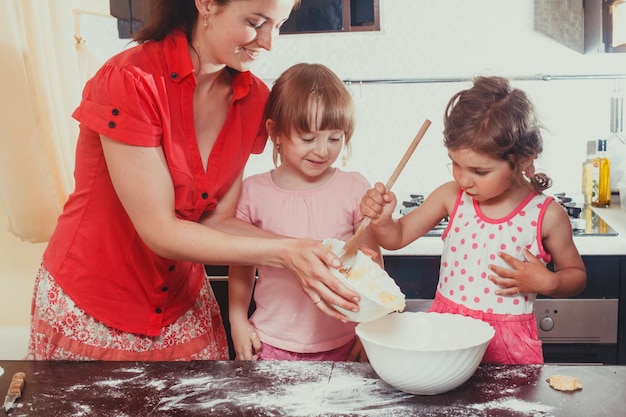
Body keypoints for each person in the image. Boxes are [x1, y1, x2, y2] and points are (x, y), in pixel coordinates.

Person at [27, 0, 361, 361]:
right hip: (94, 303)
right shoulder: (131, 80)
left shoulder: (253, 101)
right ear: (206, 4)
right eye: (255, 22)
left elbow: (218, 220)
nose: (268, 43)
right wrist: (287, 252)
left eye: (278, 25)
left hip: (180, 303)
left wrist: (306, 251)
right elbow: (159, 230)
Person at [359, 76, 587, 365]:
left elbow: (576, 275)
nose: (463, 179)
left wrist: (551, 282)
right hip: (447, 336)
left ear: (524, 160)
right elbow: (396, 237)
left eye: (479, 171)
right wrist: (382, 219)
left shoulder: (547, 215)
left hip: (508, 347)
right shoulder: (450, 196)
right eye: (455, 163)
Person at [228, 63, 380, 362]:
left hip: (344, 343)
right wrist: (237, 320)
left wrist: (372, 326)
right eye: (308, 138)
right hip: (269, 343)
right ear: (276, 133)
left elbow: (373, 267)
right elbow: (241, 266)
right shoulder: (252, 192)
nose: (323, 150)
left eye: (335, 138)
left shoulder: (353, 187)